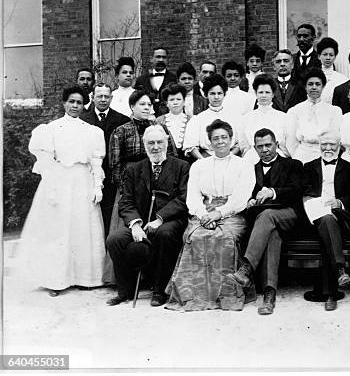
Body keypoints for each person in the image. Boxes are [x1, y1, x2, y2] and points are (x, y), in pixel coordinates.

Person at [17, 85, 105, 296]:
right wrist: (52, 188)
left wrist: (97, 185)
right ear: (64, 103)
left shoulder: (92, 131)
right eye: (71, 101)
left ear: (85, 105)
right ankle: (55, 280)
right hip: (59, 181)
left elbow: (95, 162)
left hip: (82, 181)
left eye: (79, 102)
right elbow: (46, 162)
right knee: (59, 230)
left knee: (82, 229)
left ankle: (85, 278)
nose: (75, 106)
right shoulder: (50, 129)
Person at [166, 119, 256, 311]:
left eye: (224, 137)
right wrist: (202, 215)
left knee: (224, 237)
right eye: (216, 138)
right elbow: (192, 197)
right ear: (210, 142)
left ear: (231, 140)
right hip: (204, 212)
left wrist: (220, 213)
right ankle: (196, 295)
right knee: (196, 236)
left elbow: (241, 198)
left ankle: (226, 295)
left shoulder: (244, 165)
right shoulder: (199, 166)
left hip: (232, 212)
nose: (220, 141)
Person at [106, 125, 190, 307]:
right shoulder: (134, 170)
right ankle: (125, 290)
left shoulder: (182, 166)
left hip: (169, 220)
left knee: (164, 234)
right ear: (144, 145)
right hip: (141, 221)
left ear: (167, 143)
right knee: (115, 239)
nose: (156, 147)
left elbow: (183, 199)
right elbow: (125, 202)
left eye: (160, 142)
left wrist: (160, 218)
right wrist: (135, 225)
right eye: (151, 143)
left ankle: (159, 290)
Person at [227, 128, 304, 315]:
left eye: (268, 145)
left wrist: (272, 192)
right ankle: (269, 295)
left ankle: (246, 268)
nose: (265, 150)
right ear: (254, 148)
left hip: (290, 217)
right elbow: (247, 194)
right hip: (265, 225)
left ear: (276, 145)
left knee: (268, 215)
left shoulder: (293, 164)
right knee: (272, 234)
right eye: (260, 146)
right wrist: (250, 200)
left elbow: (296, 190)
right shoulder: (251, 170)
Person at [302, 133, 350, 311]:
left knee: (328, 225)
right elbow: (306, 192)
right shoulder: (309, 167)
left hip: (341, 216)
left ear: (340, 146)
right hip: (316, 216)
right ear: (319, 145)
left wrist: (339, 202)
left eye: (332, 144)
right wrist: (314, 202)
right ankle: (338, 274)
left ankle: (329, 292)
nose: (328, 148)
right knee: (326, 221)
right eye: (324, 144)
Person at [80, 82, 130, 236]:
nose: (103, 99)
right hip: (88, 175)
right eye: (99, 96)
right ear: (92, 97)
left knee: (109, 215)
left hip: (112, 177)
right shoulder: (83, 120)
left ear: (111, 98)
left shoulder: (122, 120)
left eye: (106, 96)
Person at [286, 68, 342, 164]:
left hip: (326, 156)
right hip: (302, 157)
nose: (314, 87)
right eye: (310, 84)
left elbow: (336, 137)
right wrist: (297, 158)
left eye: (318, 84)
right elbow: (291, 141)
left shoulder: (334, 111)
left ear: (323, 86)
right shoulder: (295, 111)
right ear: (305, 87)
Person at [183, 74, 243, 159]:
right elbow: (191, 146)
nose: (216, 97)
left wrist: (229, 157)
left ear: (224, 94)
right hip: (206, 159)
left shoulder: (235, 117)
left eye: (219, 93)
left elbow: (239, 143)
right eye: (212, 93)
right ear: (206, 95)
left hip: (231, 158)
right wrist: (205, 161)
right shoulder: (198, 119)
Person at [238, 74, 289, 164]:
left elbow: (285, 146)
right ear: (256, 93)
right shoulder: (246, 118)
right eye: (261, 92)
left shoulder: (284, 117)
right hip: (252, 160)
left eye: (267, 92)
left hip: (278, 160)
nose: (264, 96)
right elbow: (244, 146)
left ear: (273, 94)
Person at [134, 47, 177, 116]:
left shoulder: (174, 79)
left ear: (167, 60)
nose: (161, 60)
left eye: (164, 57)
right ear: (151, 59)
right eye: (158, 57)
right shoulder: (141, 80)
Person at [157, 83, 189, 160]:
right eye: (171, 100)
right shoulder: (159, 121)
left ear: (184, 101)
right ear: (167, 103)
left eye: (178, 99)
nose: (175, 102)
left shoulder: (192, 120)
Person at [316, 37, 347, 103]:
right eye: (325, 54)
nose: (328, 58)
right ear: (319, 56)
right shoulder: (313, 77)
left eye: (331, 55)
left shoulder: (342, 79)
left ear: (335, 56)